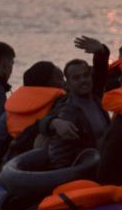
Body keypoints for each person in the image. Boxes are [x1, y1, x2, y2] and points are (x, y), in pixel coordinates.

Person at [0, 60, 65, 177]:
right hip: (42, 172)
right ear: (48, 82)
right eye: (60, 78)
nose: (64, 83)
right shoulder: (60, 103)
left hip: (11, 165)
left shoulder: (15, 107)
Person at [40, 37, 111, 169]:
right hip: (86, 170)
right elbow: (58, 156)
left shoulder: (95, 97)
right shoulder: (67, 110)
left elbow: (101, 73)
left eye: (86, 75)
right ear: (67, 84)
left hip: (104, 162)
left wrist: (101, 51)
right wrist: (54, 123)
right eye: (76, 78)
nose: (83, 80)